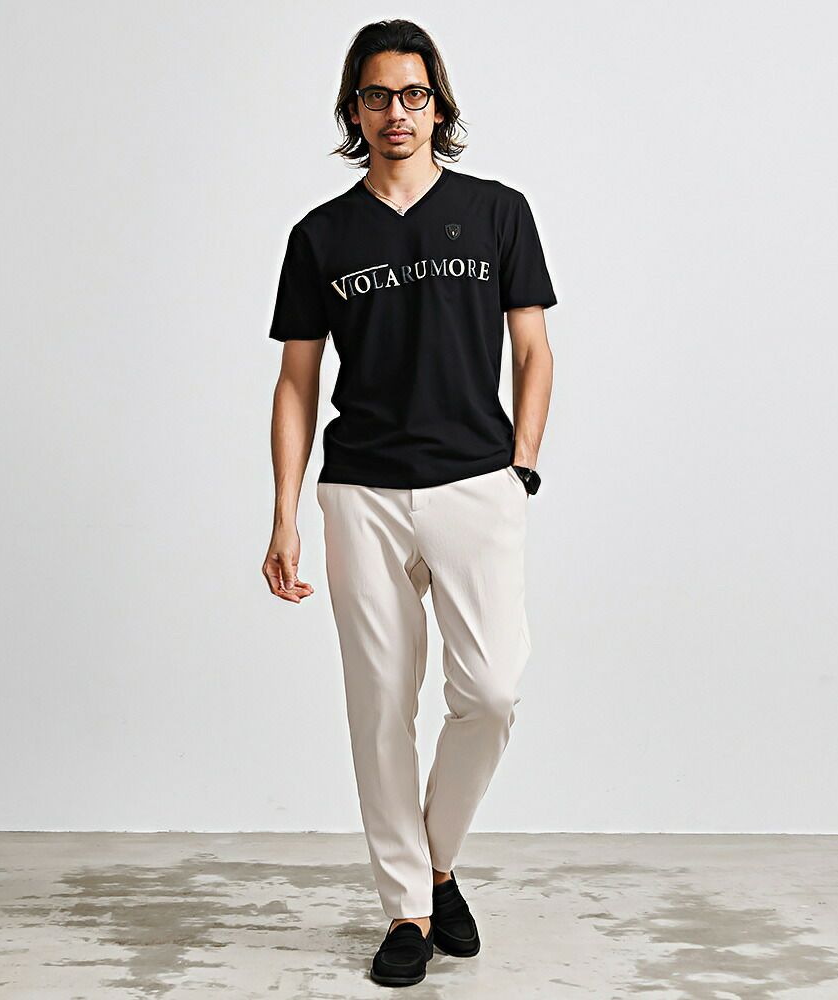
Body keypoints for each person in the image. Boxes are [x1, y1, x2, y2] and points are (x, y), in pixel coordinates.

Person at [263, 18, 556, 988]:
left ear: (438, 105)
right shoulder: (321, 235)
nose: (397, 112)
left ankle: (435, 862)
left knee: (492, 691)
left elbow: (534, 351)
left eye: (414, 94)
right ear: (354, 110)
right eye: (377, 95)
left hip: (476, 481)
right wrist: (285, 513)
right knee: (381, 704)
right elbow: (297, 382)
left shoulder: (498, 211)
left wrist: (519, 467)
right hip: (362, 491)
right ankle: (407, 909)